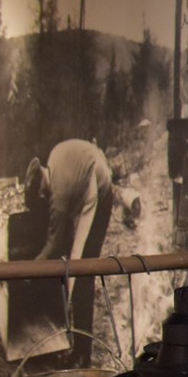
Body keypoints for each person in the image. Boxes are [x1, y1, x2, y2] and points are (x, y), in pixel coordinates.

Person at [26, 138, 113, 362]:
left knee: (81, 272)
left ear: (41, 191)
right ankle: (72, 343)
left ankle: (82, 354)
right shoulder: (53, 158)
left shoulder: (58, 194)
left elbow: (54, 244)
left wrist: (30, 268)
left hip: (99, 191)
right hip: (90, 177)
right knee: (74, 267)